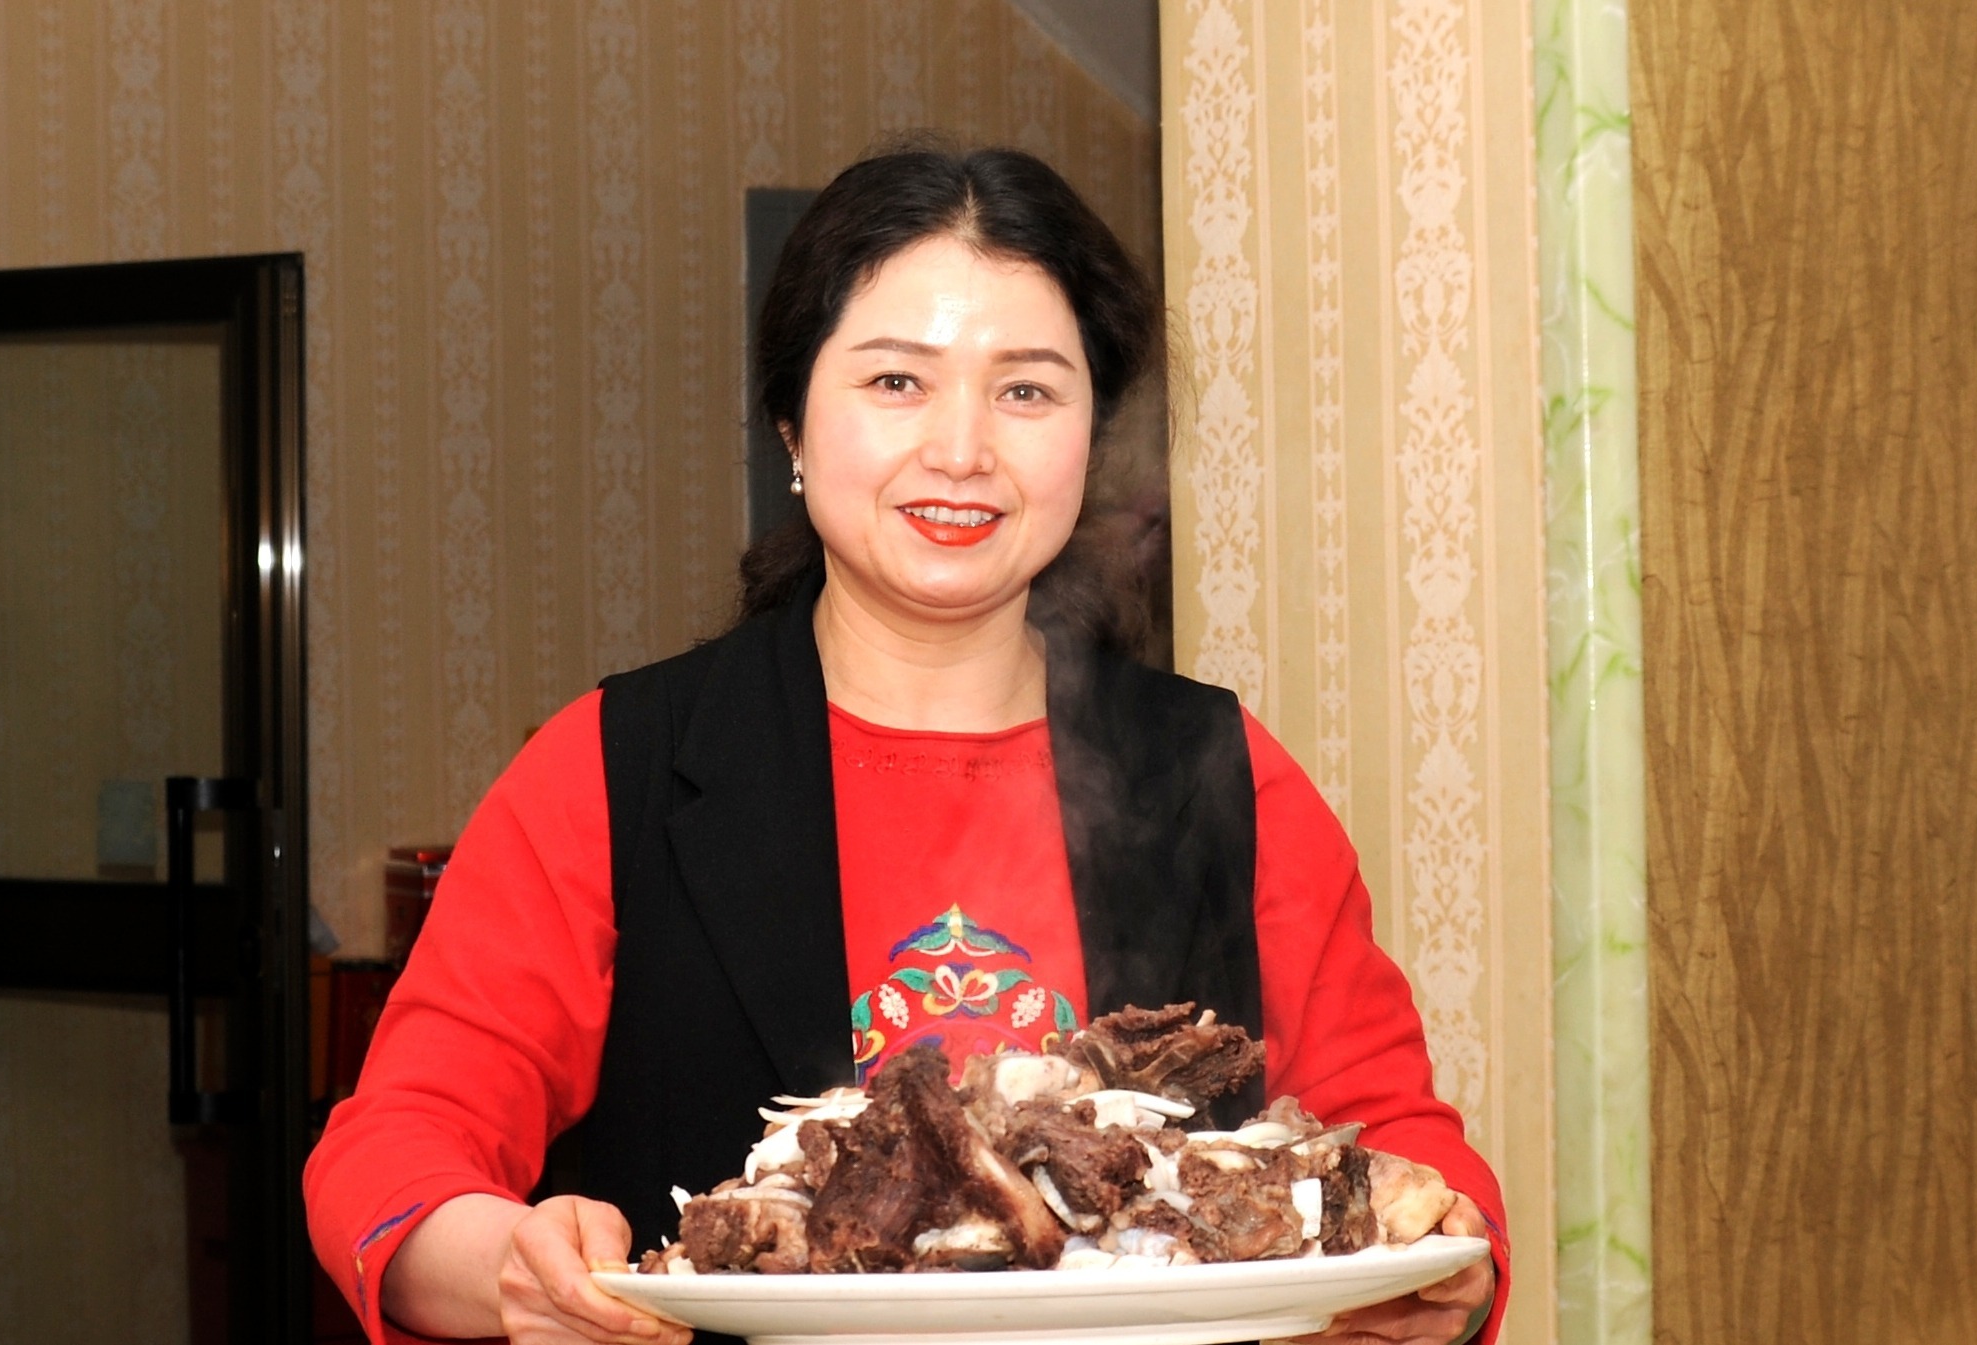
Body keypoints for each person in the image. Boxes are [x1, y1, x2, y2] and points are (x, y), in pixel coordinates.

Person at [304, 145, 1508, 1345]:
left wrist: (1435, 1282)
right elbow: (395, 1155)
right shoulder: (616, 767)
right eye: (895, 382)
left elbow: (1405, 1148)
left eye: (1026, 391)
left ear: (1092, 435)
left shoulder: (1215, 769)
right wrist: (515, 1267)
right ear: (791, 420)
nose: (961, 450)